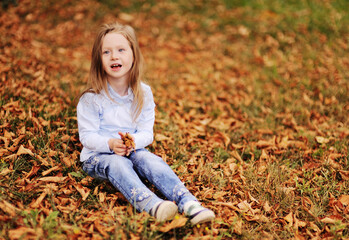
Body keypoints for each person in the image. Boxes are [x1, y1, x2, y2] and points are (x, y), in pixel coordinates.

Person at [77, 22, 215, 225]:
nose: (114, 56)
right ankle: (152, 204)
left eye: (121, 50)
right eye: (106, 52)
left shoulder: (143, 93)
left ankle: (188, 203)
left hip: (132, 149)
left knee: (151, 161)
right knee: (117, 163)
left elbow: (146, 133)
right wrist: (110, 144)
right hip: (97, 157)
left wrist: (133, 141)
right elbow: (87, 137)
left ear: (134, 55)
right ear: (99, 60)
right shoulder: (91, 98)